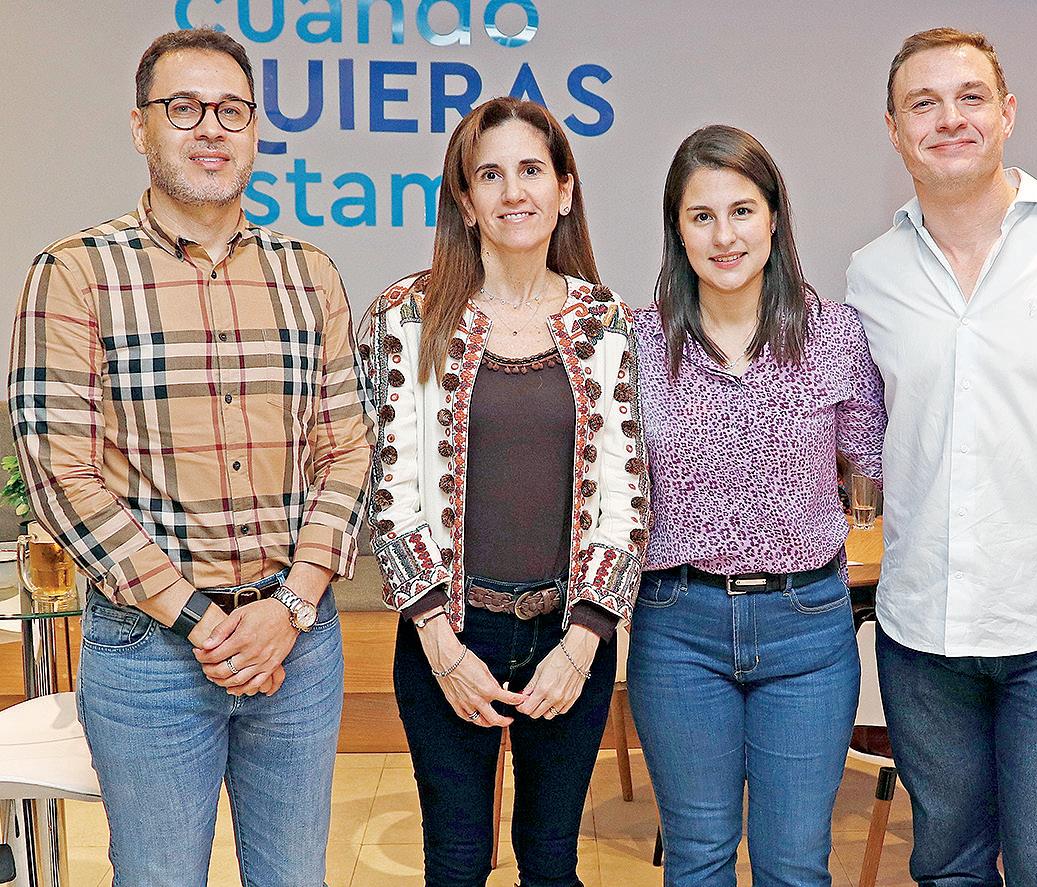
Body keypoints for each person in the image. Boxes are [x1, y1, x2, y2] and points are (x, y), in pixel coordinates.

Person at [7, 27, 371, 886]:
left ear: (255, 131)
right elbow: (61, 474)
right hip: (150, 653)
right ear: (141, 126)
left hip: (297, 644)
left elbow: (348, 448)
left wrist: (291, 603)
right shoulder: (76, 273)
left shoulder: (309, 274)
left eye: (232, 110)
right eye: (184, 107)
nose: (211, 127)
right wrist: (201, 620)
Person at [845, 27, 1037, 887]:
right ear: (892, 129)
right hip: (919, 629)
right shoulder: (871, 275)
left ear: (1007, 113)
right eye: (923, 103)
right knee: (945, 865)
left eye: (969, 97)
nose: (949, 119)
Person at [360, 96, 648, 887]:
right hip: (446, 636)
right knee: (455, 864)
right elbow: (387, 491)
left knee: (552, 863)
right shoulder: (405, 316)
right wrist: (440, 643)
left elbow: (627, 494)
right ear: (464, 199)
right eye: (489, 175)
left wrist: (582, 643)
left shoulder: (603, 320)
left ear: (564, 188)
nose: (512, 191)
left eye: (530, 170)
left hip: (569, 636)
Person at [627, 124, 886, 887]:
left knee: (794, 864)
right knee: (698, 856)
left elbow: (876, 466)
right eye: (701, 216)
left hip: (806, 628)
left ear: (774, 216)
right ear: (677, 229)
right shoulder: (638, 343)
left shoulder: (834, 334)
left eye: (741, 210)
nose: (724, 235)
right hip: (679, 625)